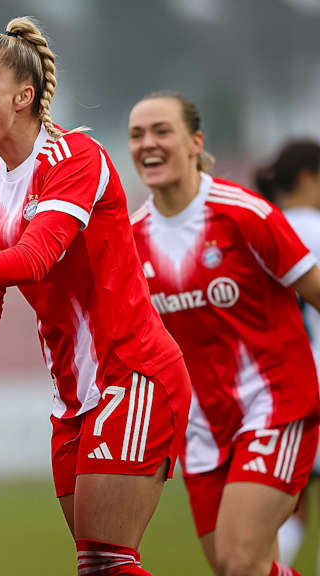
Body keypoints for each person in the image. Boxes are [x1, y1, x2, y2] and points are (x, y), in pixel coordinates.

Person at [0, 17, 192, 575]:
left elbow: (35, 257)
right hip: (71, 397)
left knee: (110, 558)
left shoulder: (74, 159)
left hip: (133, 374)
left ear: (25, 95)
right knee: (96, 564)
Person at [128, 93, 320, 576]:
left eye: (161, 131)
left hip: (276, 406)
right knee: (240, 570)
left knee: (240, 562)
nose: (148, 144)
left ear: (195, 142)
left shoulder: (244, 214)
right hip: (202, 428)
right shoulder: (131, 238)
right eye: (137, 134)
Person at [256, 140, 320, 569]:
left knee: (290, 501)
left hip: (276, 382)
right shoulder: (314, 227)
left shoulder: (261, 225)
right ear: (307, 178)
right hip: (317, 365)